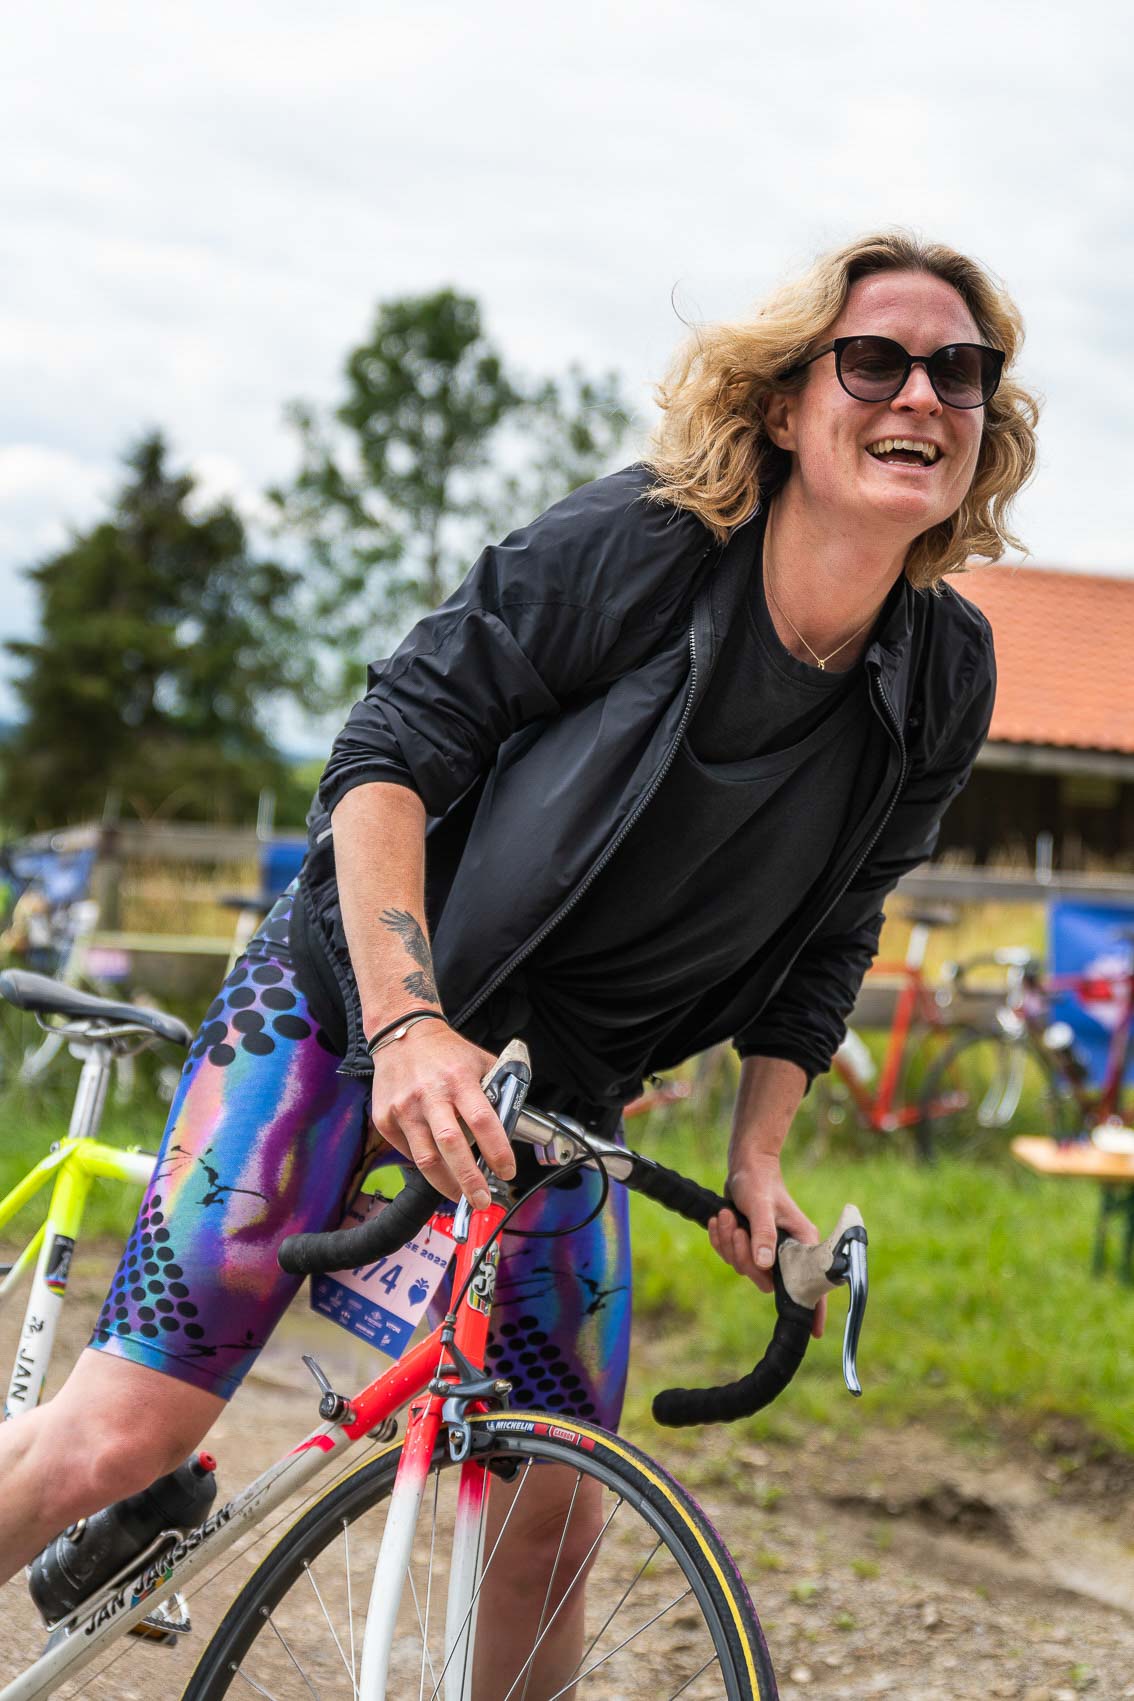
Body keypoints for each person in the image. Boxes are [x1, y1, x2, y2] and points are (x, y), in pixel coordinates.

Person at [0, 230, 1038, 1694]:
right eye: (874, 361)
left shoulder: (943, 671)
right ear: (785, 400)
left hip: (560, 1092)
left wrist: (757, 1152)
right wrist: (405, 1023)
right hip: (341, 1007)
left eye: (959, 371)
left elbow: (836, 927)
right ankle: (115, 1491)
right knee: (117, 1438)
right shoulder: (644, 546)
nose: (920, 395)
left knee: (554, 1511)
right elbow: (383, 756)